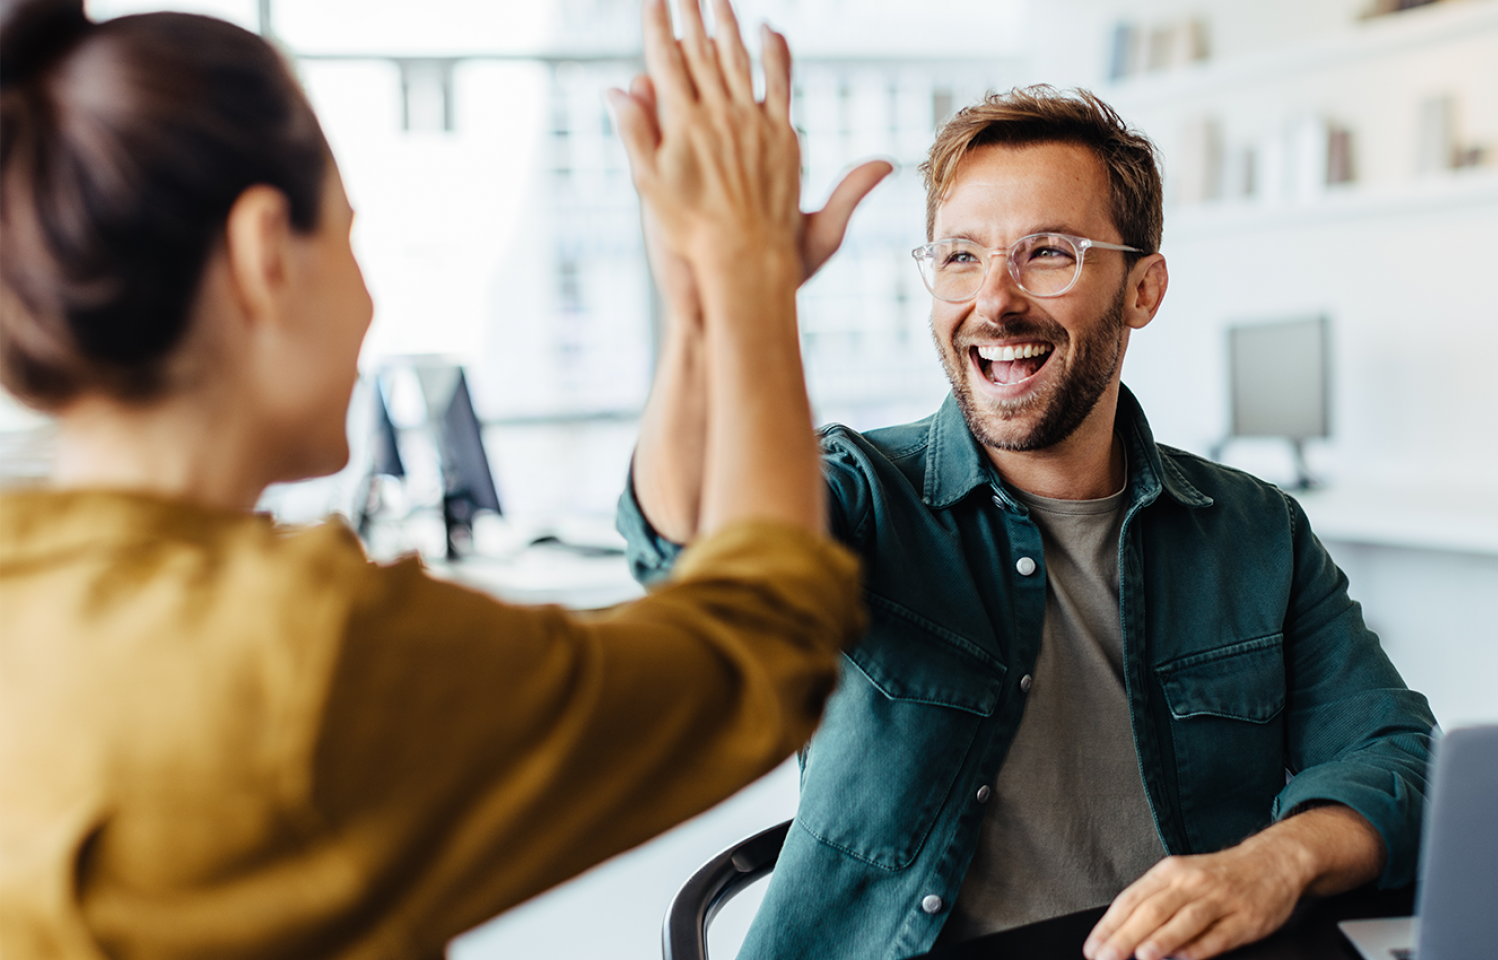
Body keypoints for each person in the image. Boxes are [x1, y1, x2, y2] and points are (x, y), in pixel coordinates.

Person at [0, 0, 870, 955]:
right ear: (263, 256)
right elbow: (758, 651)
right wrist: (746, 274)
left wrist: (711, 309)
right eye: (347, 236)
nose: (371, 302)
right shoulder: (300, 653)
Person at [621, 85, 1437, 960]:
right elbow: (689, 549)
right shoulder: (862, 494)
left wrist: (1278, 862)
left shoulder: (1256, 532)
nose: (996, 300)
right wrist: (714, 312)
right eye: (961, 257)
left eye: (1048, 253)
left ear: (1142, 289)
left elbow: (1400, 759)